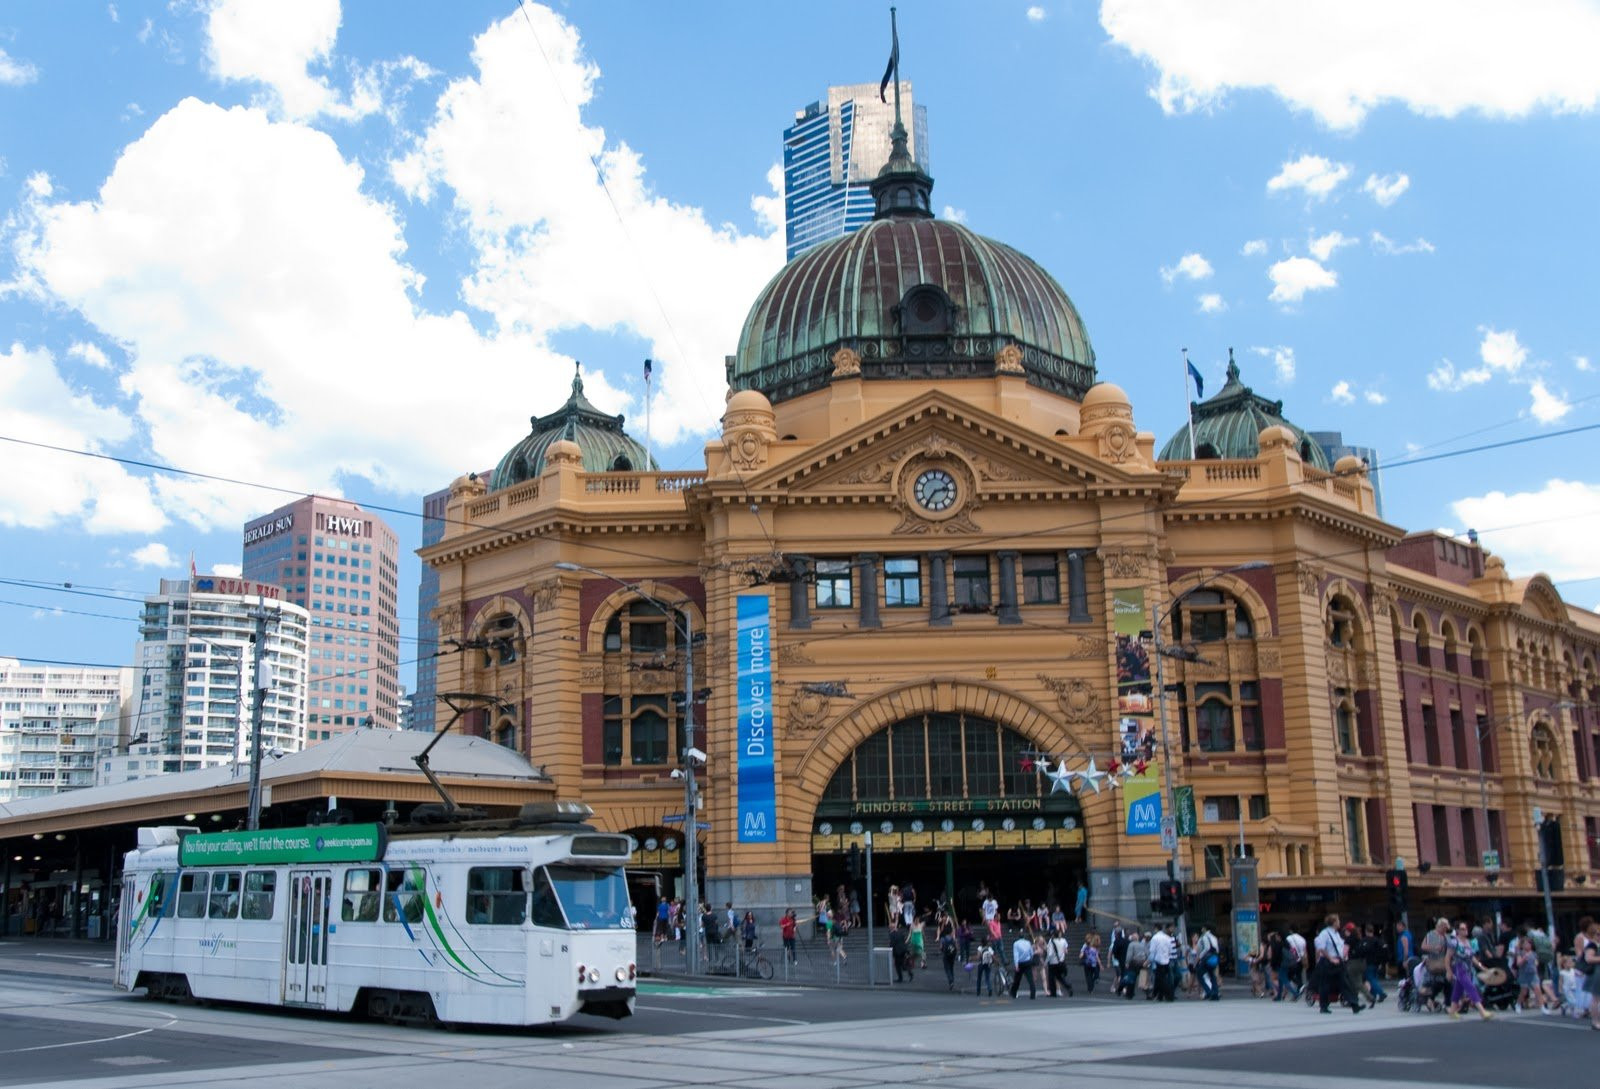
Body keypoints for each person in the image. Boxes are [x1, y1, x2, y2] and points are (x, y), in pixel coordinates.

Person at [1312, 913, 1363, 1014]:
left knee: (1345, 983)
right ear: (1334, 922)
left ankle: (1354, 1005)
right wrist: (1330, 958)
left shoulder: (1336, 934)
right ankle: (1324, 1006)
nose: (1339, 922)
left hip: (1338, 961)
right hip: (1328, 962)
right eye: (1338, 920)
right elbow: (1321, 948)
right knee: (1325, 985)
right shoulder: (1325, 933)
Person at [1446, 919, 1493, 1020]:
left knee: (1458, 990)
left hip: (1468, 969)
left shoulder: (1468, 942)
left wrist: (1482, 967)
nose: (1465, 930)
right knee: (1471, 988)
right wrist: (1449, 971)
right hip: (1459, 968)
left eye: (1466, 928)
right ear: (1457, 931)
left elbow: (1472, 958)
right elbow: (1447, 958)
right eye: (1462, 929)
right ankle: (1482, 1011)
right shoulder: (1454, 942)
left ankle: (1452, 1012)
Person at [1148, 923, 1176, 1001]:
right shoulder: (1167, 938)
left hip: (1158, 961)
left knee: (1161, 979)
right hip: (1167, 960)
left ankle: (1167, 994)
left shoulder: (1155, 938)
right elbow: (1170, 950)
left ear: (1156, 929)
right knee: (1163, 978)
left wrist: (1149, 961)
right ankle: (1158, 994)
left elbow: (1152, 951)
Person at [1196, 924, 1221, 1000]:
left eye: (1202, 928)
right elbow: (1217, 949)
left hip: (1206, 958)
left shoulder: (1205, 937)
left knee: (1199, 974)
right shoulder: (1213, 937)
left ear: (1204, 928)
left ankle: (1208, 991)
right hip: (1214, 957)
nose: (1201, 929)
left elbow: (1206, 948)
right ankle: (1215, 993)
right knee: (1212, 975)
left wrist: (1199, 957)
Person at [1010, 929, 1037, 999]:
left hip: (1020, 963)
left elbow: (1016, 955)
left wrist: (1016, 965)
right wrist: (1031, 958)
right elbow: (1031, 952)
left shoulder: (1016, 943)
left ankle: (1013, 992)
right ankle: (1033, 993)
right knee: (1030, 979)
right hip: (1027, 962)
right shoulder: (1028, 942)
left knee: (1017, 979)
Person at [1045, 927, 1073, 997]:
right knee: (1060, 977)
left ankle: (1053, 993)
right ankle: (1068, 986)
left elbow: (1050, 954)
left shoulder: (1051, 942)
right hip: (1061, 962)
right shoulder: (1063, 940)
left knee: (1051, 978)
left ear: (1053, 935)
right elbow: (1065, 949)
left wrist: (1046, 962)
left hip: (1053, 962)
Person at [889, 916, 912, 982]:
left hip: (898, 952)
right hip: (903, 950)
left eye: (890, 926)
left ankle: (900, 978)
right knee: (902, 964)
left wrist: (891, 951)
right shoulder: (900, 932)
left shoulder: (892, 934)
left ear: (892, 927)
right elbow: (903, 941)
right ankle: (909, 973)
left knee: (897, 965)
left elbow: (892, 943)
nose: (889, 926)